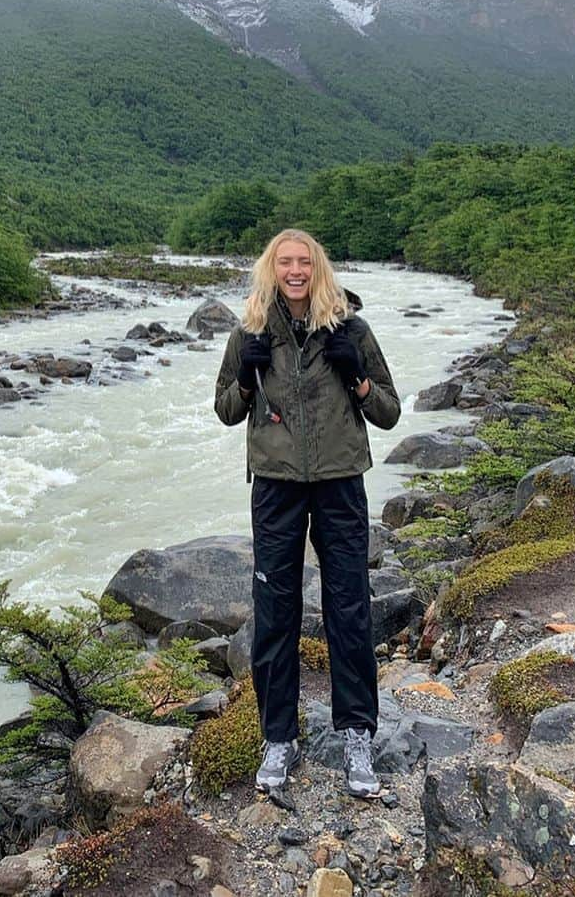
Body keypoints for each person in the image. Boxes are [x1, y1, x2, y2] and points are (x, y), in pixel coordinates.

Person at [214, 228, 401, 798]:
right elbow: (225, 410)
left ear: (318, 269)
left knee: (348, 608)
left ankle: (357, 737)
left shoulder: (351, 330)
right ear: (271, 270)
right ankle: (279, 738)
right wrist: (246, 376)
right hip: (275, 486)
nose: (295, 271)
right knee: (275, 610)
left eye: (304, 262)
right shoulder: (248, 332)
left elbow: (389, 412)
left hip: (340, 483)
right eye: (285, 262)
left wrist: (358, 377)